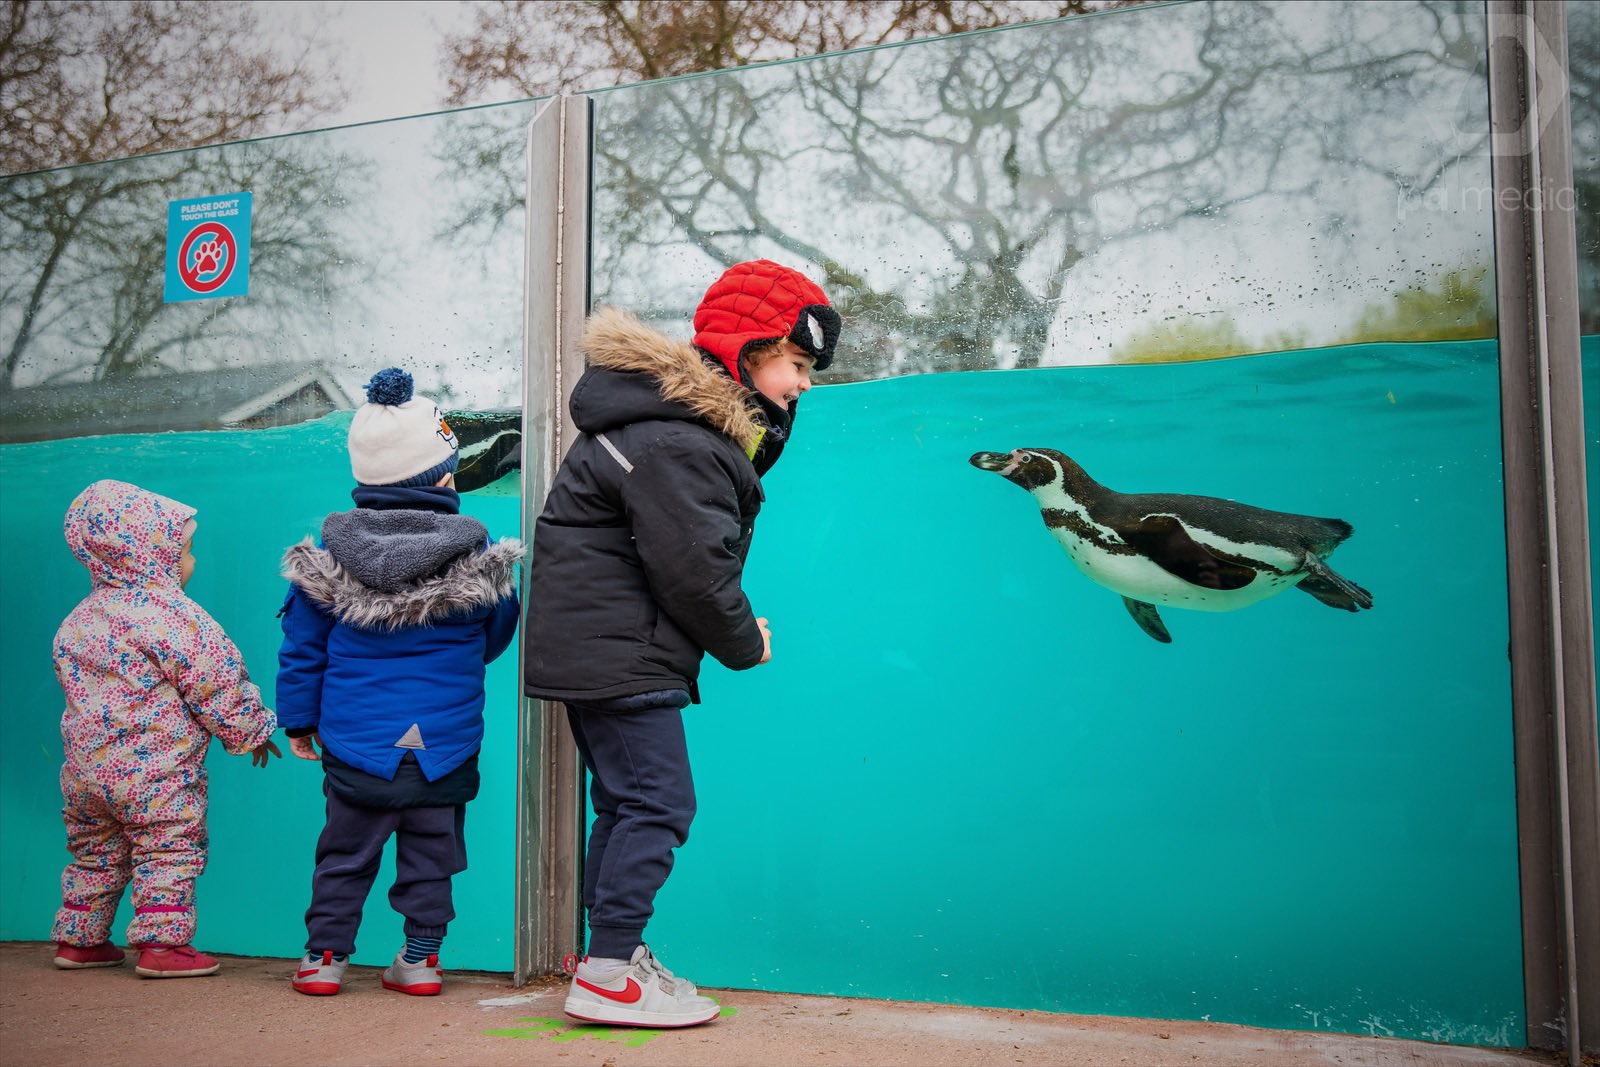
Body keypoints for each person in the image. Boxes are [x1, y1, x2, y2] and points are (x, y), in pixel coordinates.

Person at [524, 259, 841, 1027]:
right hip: (622, 653)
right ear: (746, 348)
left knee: (626, 803)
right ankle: (605, 974)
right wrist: (745, 643)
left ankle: (609, 955)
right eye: (795, 363)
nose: (802, 383)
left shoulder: (665, 427)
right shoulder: (677, 439)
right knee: (660, 804)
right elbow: (695, 572)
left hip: (607, 648)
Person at [276, 368, 522, 997]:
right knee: (432, 857)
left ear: (365, 480)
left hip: (355, 742)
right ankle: (419, 962)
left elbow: (303, 651)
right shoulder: (479, 555)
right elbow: (493, 642)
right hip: (444, 744)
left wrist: (299, 722)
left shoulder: (328, 559)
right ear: (444, 478)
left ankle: (323, 960)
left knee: (345, 853)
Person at [51, 479, 280, 978]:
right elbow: (214, 679)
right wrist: (250, 730)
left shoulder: (77, 621)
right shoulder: (173, 616)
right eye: (186, 551)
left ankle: (80, 940)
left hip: (86, 776)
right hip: (155, 774)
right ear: (149, 555)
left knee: (96, 853)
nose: (192, 561)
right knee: (169, 846)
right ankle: (162, 946)